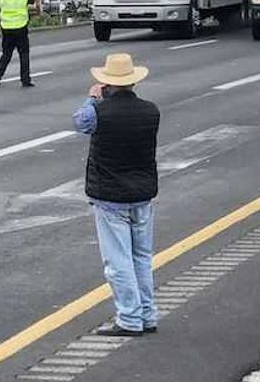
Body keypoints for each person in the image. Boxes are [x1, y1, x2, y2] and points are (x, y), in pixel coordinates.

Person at [72, 53, 160, 337]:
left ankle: (129, 318)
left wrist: (93, 99)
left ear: (106, 83)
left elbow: (80, 122)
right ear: (134, 81)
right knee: (142, 257)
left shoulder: (97, 112)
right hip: (143, 193)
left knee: (117, 260)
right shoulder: (151, 110)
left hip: (110, 196)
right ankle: (148, 314)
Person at [0, 0, 33, 86]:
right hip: (20, 28)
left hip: (6, 29)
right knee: (24, 54)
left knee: (6, 54)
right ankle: (25, 80)